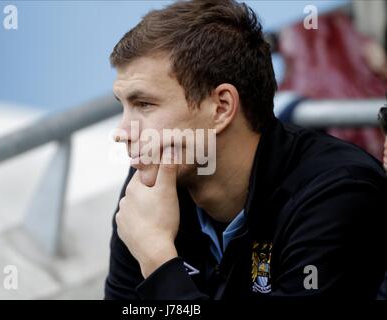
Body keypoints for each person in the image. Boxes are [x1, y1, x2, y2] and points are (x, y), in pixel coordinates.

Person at [104, 0, 387, 299]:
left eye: (144, 104)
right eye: (123, 106)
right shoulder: (154, 183)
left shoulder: (338, 195)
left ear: (221, 107)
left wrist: (158, 260)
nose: (122, 133)